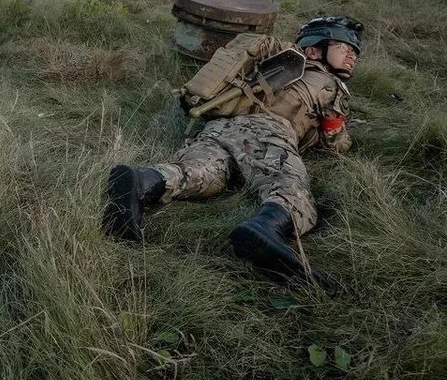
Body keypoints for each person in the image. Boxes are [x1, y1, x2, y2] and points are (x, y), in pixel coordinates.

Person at [102, 16, 363, 282]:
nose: (352, 56)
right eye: (344, 48)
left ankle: (142, 181)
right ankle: (265, 229)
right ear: (313, 50)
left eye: (355, 53)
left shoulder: (271, 66)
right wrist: (337, 128)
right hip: (267, 132)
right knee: (290, 189)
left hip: (221, 127)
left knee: (202, 174)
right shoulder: (328, 83)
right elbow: (337, 145)